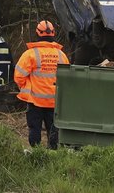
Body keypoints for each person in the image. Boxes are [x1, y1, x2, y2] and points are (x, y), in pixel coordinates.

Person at [14, 19, 69, 150]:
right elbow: (67, 78)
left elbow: (19, 76)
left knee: (35, 128)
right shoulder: (61, 55)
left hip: (35, 101)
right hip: (55, 102)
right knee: (53, 130)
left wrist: (27, 88)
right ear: (53, 34)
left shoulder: (30, 54)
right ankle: (53, 153)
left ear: (37, 33)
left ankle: (37, 152)